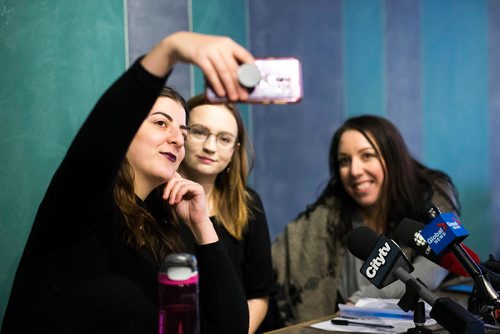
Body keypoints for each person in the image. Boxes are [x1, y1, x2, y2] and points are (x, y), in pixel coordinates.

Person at [1, 32, 255, 333]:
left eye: (183, 134)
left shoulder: (165, 222)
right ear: (126, 132)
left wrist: (201, 225)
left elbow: (231, 328)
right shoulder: (81, 204)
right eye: (161, 123)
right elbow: (99, 142)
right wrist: (169, 50)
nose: (177, 139)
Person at [272, 115, 460, 324]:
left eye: (367, 156)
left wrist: (364, 299)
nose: (354, 171)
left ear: (392, 158)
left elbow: (436, 264)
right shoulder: (327, 216)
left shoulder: (430, 198)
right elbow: (272, 261)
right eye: (344, 161)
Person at [175, 95, 276, 333]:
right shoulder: (155, 203)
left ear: (235, 149)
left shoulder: (248, 204)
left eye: (224, 139)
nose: (210, 146)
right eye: (200, 132)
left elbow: (259, 295)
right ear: (182, 134)